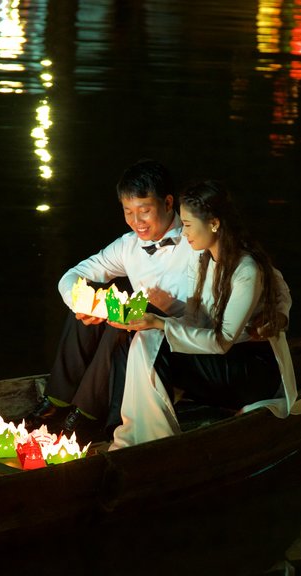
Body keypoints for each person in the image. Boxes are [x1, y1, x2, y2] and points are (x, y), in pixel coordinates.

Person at [108, 178, 297, 449]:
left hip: (248, 370)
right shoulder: (202, 258)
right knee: (139, 337)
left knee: (155, 341)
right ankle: (130, 429)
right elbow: (193, 320)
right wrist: (153, 323)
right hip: (216, 357)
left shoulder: (247, 270)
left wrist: (280, 316)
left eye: (186, 225)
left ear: (214, 223)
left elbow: (222, 341)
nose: (183, 234)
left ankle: (153, 443)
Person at [23, 159, 199, 441]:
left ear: (168, 203)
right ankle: (57, 401)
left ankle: (87, 414)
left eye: (144, 211)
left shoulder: (196, 241)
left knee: (127, 316)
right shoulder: (129, 245)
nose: (136, 222)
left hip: (176, 345)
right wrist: (83, 304)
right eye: (128, 211)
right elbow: (73, 274)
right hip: (133, 335)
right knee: (89, 296)